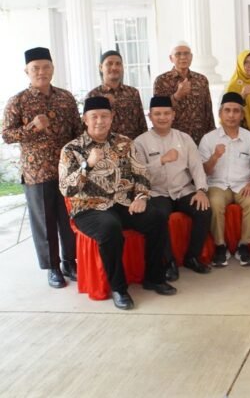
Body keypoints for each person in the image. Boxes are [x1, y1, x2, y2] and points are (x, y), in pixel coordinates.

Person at [59, 96, 174, 310]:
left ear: (112, 118)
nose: (100, 121)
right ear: (85, 119)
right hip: (88, 207)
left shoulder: (124, 143)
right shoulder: (71, 149)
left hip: (123, 202)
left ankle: (154, 277)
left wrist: (140, 197)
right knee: (109, 227)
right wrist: (88, 165)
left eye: (104, 116)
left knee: (157, 217)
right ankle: (119, 288)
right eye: (94, 117)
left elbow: (141, 174)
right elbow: (66, 188)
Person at [2, 47, 81, 288]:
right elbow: (6, 135)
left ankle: (69, 261)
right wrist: (32, 127)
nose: (41, 72)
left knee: (68, 218)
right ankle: (53, 268)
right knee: (44, 222)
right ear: (27, 71)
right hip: (38, 172)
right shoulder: (18, 100)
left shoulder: (65, 97)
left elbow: (77, 129)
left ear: (53, 68)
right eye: (36, 68)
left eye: (46, 66)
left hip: (67, 170)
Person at [134, 96, 212, 280]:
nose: (162, 117)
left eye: (166, 113)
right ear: (150, 116)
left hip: (182, 189)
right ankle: (168, 262)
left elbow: (196, 166)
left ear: (173, 115)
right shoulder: (140, 142)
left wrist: (201, 190)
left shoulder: (184, 138)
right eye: (157, 114)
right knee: (159, 216)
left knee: (204, 210)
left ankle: (192, 257)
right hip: (157, 192)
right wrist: (161, 160)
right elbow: (139, 174)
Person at [198, 92, 250, 268]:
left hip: (244, 184)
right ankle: (220, 246)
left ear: (242, 115)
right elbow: (203, 170)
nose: (231, 115)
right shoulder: (208, 139)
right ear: (220, 114)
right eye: (227, 110)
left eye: (236, 111)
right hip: (217, 184)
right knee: (215, 203)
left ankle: (245, 245)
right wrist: (215, 157)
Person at [153, 44, 215, 144]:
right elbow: (159, 112)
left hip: (200, 139)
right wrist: (177, 95)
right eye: (178, 54)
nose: (183, 57)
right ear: (171, 58)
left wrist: (212, 134)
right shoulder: (161, 80)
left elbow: (208, 110)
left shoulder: (201, 80)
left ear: (191, 57)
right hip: (173, 139)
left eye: (186, 54)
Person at [87, 49, 148, 140]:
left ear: (122, 67)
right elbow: (88, 128)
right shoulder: (93, 95)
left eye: (118, 64)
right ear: (101, 67)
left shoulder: (132, 93)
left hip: (132, 148)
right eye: (109, 63)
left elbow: (142, 124)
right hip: (105, 149)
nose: (114, 67)